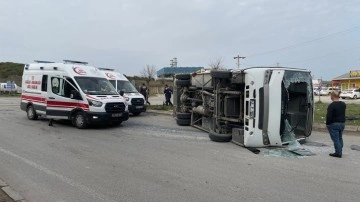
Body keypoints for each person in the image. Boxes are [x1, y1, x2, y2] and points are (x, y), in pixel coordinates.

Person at [326, 90, 346, 158]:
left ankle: (338, 153)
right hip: (342, 123)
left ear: (332, 96)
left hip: (334, 124)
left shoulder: (331, 105)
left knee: (336, 139)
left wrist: (327, 124)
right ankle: (340, 150)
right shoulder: (343, 104)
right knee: (340, 138)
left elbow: (329, 116)